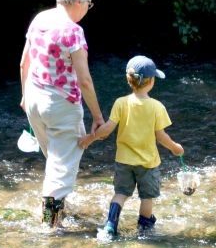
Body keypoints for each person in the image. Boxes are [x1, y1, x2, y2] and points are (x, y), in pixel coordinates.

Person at [19, 0, 105, 227]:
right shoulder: (72, 31)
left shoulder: (39, 19)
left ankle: (57, 213)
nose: (88, 9)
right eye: (89, 3)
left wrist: (24, 96)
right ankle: (48, 225)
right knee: (61, 169)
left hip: (34, 97)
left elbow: (24, 62)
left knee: (55, 162)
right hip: (59, 105)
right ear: (77, 1)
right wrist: (98, 117)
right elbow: (85, 80)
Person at [78, 55, 184, 238]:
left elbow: (107, 129)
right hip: (148, 163)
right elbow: (161, 136)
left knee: (120, 193)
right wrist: (175, 147)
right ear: (151, 82)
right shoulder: (157, 106)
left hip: (123, 160)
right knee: (147, 197)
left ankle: (111, 225)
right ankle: (144, 229)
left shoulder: (121, 103)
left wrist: (90, 138)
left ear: (129, 80)